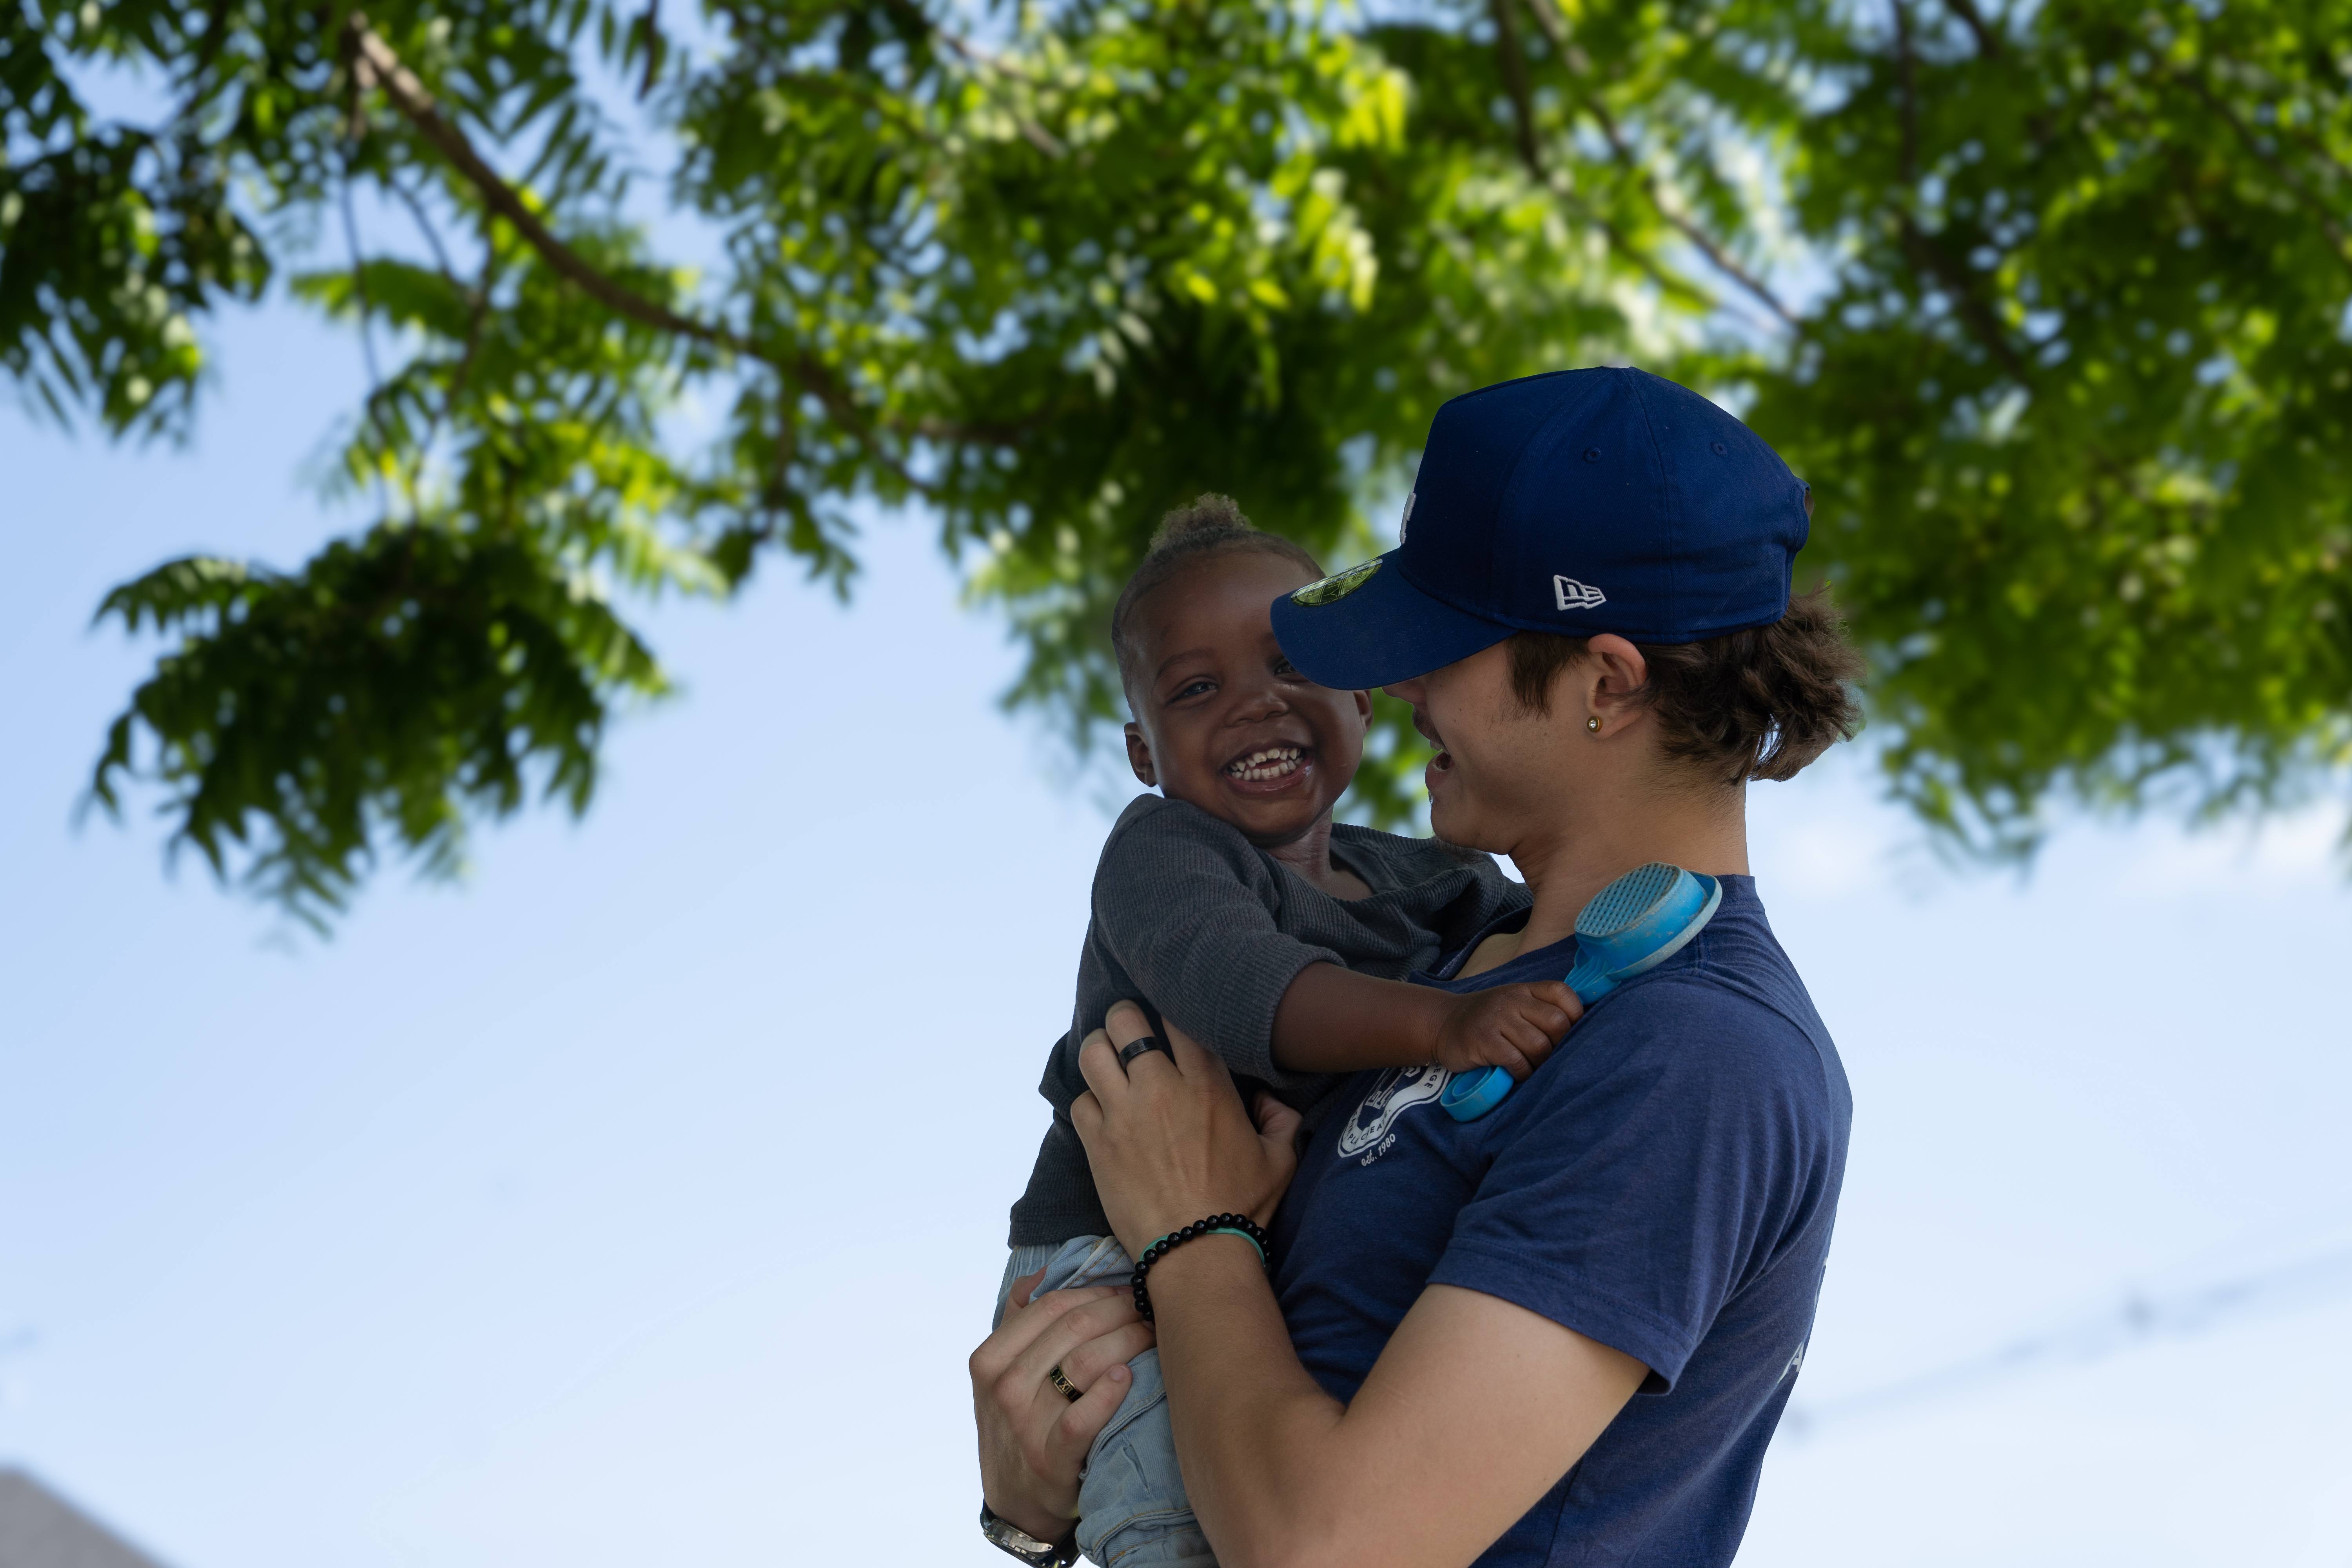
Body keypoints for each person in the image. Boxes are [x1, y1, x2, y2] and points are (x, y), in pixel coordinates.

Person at [972, 367, 1860, 1568]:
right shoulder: (1446, 952)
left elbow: (1329, 1550)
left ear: (1606, 684)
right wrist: (1035, 1511)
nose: (1396, 688)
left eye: (1443, 647)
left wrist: (1193, 1233)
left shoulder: (1697, 1055)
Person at [994, 494, 1583, 1568]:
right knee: (1179, 1525)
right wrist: (1446, 1024)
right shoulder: (1162, 857)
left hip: (1240, 1243)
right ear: (1141, 749)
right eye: (1198, 688)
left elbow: (1537, 938)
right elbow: (1250, 988)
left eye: (1293, 667)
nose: (1256, 707)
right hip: (1111, 1258)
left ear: (1363, 698)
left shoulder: (1431, 875)